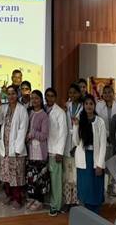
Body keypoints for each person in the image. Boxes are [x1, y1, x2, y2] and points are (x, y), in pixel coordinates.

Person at [0, 85, 28, 209]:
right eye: (8, 94)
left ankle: (17, 198)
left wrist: (18, 148)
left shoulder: (22, 109)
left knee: (16, 174)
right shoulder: (4, 108)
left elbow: (23, 129)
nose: (11, 96)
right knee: (6, 174)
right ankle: (9, 195)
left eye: (13, 93)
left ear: (17, 94)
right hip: (5, 147)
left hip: (16, 149)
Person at [73, 95, 106, 214]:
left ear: (94, 105)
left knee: (95, 185)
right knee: (84, 185)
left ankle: (95, 212)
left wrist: (100, 165)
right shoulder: (80, 120)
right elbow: (76, 142)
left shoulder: (100, 121)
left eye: (91, 104)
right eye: (86, 104)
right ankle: (85, 212)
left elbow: (103, 145)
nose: (88, 106)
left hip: (95, 158)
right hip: (83, 158)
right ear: (83, 105)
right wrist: (76, 126)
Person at [25, 90, 49, 211]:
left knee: (40, 177)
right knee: (31, 176)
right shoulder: (29, 113)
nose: (34, 100)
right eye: (32, 98)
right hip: (30, 150)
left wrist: (32, 133)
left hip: (40, 151)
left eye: (36, 98)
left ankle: (40, 200)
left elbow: (44, 135)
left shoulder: (44, 115)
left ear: (41, 100)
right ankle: (33, 198)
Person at [95, 85, 116, 197]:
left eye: (109, 92)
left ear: (113, 94)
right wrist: (106, 135)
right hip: (102, 138)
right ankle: (101, 188)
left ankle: (112, 187)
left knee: (114, 163)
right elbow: (98, 122)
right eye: (105, 92)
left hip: (115, 139)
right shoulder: (98, 106)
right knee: (102, 162)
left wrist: (113, 136)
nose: (107, 94)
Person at [45, 87, 67, 217]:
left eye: (52, 96)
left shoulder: (60, 112)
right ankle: (50, 201)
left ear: (55, 97)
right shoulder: (44, 109)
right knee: (48, 178)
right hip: (45, 150)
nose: (49, 98)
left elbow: (63, 133)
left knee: (56, 180)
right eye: (47, 95)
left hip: (55, 151)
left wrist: (59, 152)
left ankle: (56, 205)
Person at [63, 83, 83, 210]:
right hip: (66, 142)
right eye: (70, 93)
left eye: (75, 92)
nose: (72, 95)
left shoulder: (83, 107)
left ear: (79, 93)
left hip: (78, 142)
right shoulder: (66, 106)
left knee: (76, 175)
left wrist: (77, 144)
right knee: (67, 174)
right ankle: (67, 201)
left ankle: (76, 201)